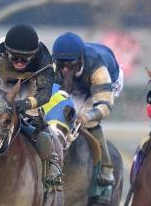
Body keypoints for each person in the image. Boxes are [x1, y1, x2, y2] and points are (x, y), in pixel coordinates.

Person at [0, 24, 61, 190]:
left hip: (31, 85)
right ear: (6, 51)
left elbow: (45, 94)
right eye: (14, 57)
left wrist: (23, 105)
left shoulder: (44, 57)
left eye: (25, 59)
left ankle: (51, 164)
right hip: (1, 81)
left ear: (34, 54)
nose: (19, 62)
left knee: (36, 121)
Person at [52, 31, 122, 186]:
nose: (64, 70)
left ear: (81, 59)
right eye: (61, 64)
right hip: (79, 84)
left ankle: (106, 167)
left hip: (110, 80)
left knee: (86, 120)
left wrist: (87, 117)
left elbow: (104, 105)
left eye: (69, 64)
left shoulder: (97, 68)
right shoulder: (55, 65)